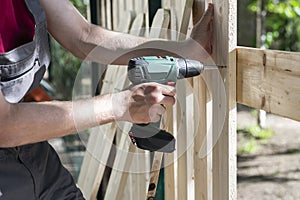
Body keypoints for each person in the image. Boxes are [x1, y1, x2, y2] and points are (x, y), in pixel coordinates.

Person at [0, 0, 214, 199]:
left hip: (35, 155)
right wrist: (121, 105)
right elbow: (5, 125)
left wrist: (184, 51)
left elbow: (82, 36)